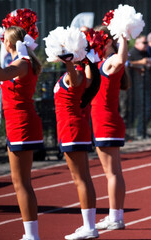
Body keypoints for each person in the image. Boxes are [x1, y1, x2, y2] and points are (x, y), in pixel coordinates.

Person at [0, 26, 44, 240]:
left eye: (3, 40)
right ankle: (30, 233)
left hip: (21, 124)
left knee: (21, 183)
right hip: (18, 123)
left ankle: (31, 234)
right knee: (21, 182)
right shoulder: (24, 62)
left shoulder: (21, 63)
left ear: (9, 43)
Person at [55, 58, 101, 239]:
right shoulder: (83, 73)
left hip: (72, 129)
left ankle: (89, 226)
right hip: (72, 128)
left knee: (81, 179)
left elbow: (74, 82)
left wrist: (68, 62)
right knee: (82, 178)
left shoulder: (78, 73)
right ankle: (88, 225)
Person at [91, 25, 128, 230]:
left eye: (97, 38)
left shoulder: (111, 60)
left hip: (106, 121)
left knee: (112, 172)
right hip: (101, 120)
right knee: (111, 172)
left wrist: (123, 36)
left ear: (106, 41)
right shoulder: (101, 62)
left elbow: (122, 58)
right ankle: (115, 215)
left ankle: (116, 217)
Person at [127, 35, 151, 138]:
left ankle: (143, 130)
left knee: (149, 108)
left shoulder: (146, 52)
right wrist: (141, 62)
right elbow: (127, 63)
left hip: (148, 82)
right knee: (144, 107)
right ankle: (140, 131)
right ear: (137, 43)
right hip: (138, 84)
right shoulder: (133, 52)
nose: (146, 45)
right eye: (144, 43)